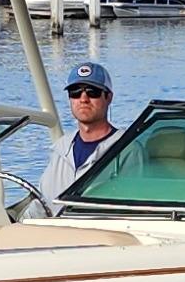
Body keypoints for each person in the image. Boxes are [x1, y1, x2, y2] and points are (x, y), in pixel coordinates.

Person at [37, 61, 126, 204]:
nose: (83, 99)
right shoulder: (60, 149)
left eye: (93, 92)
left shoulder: (127, 148)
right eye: (75, 92)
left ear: (108, 97)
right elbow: (42, 203)